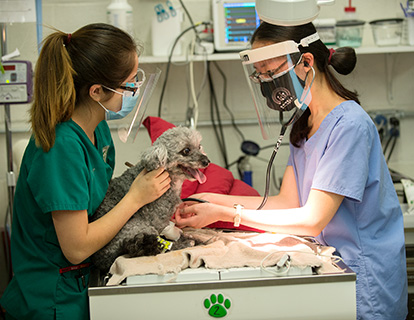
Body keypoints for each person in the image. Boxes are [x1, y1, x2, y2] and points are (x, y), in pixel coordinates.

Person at [175, 22, 408, 320]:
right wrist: (210, 200)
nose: (266, 83)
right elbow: (287, 201)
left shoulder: (350, 125)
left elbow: (311, 219)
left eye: (271, 73)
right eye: (260, 75)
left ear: (306, 62)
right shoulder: (305, 123)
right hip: (330, 270)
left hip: (364, 278)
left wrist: (226, 215)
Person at [0, 23, 170, 319]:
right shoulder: (60, 147)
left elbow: (98, 203)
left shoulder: (97, 130)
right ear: (96, 91)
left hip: (85, 281)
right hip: (52, 297)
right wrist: (135, 199)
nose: (134, 91)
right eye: (130, 84)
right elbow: (76, 248)